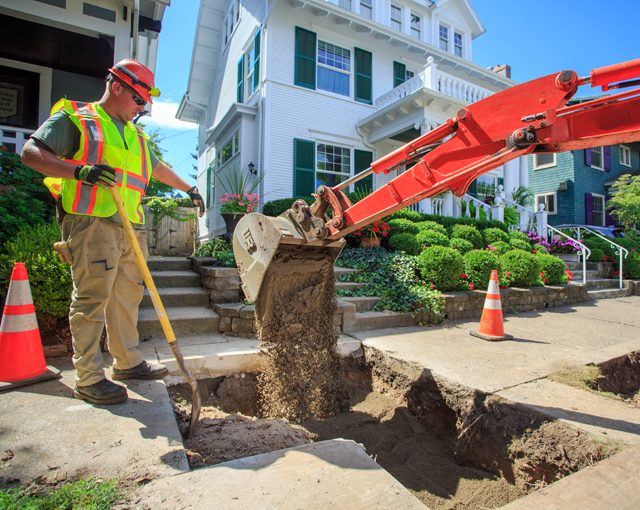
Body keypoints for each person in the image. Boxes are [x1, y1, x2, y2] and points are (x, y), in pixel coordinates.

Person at [21, 59, 205, 405]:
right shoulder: (78, 119)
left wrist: (189, 188)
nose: (142, 108)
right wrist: (78, 171)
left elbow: (157, 167)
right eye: (138, 100)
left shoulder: (136, 134)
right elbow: (31, 154)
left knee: (127, 297)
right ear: (117, 87)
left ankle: (127, 362)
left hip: (131, 225)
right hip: (92, 222)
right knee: (91, 298)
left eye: (145, 104)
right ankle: (89, 377)